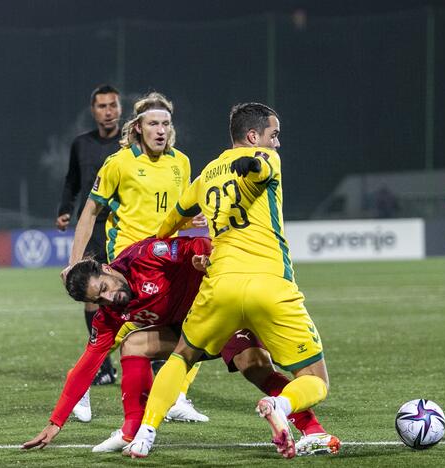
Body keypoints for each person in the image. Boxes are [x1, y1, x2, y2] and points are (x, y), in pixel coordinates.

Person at [125, 103, 331, 459]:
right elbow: (261, 167)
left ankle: (145, 433)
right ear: (254, 136)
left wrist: (161, 249)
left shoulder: (206, 174)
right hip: (270, 286)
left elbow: (172, 220)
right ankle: (281, 407)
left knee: (182, 356)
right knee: (315, 380)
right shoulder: (265, 158)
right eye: (274, 135)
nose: (277, 144)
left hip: (219, 286)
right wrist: (252, 163)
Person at [21, 236, 339, 457]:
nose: (108, 299)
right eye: (97, 299)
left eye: (104, 289)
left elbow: (194, 245)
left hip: (218, 312)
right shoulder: (111, 311)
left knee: (254, 366)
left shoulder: (146, 256)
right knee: (132, 344)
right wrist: (55, 423)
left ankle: (313, 430)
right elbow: (87, 364)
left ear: (106, 268)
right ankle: (132, 431)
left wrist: (205, 258)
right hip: (188, 331)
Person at [64, 91, 208, 422]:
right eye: (153, 123)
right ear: (139, 127)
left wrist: (192, 220)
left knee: (197, 322)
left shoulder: (181, 162)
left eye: (166, 124)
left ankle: (177, 397)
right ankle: (82, 386)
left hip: (168, 260)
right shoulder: (119, 163)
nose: (160, 130)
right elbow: (88, 213)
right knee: (122, 329)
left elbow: (177, 212)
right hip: (129, 260)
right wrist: (75, 263)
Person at [56, 84, 122, 391]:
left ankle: (149, 357)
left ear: (120, 109)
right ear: (93, 110)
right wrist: (65, 210)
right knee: (91, 294)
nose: (108, 111)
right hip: (93, 227)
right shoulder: (81, 144)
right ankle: (103, 367)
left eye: (113, 105)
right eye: (102, 106)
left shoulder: (129, 144)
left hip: (124, 227)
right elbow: (72, 181)